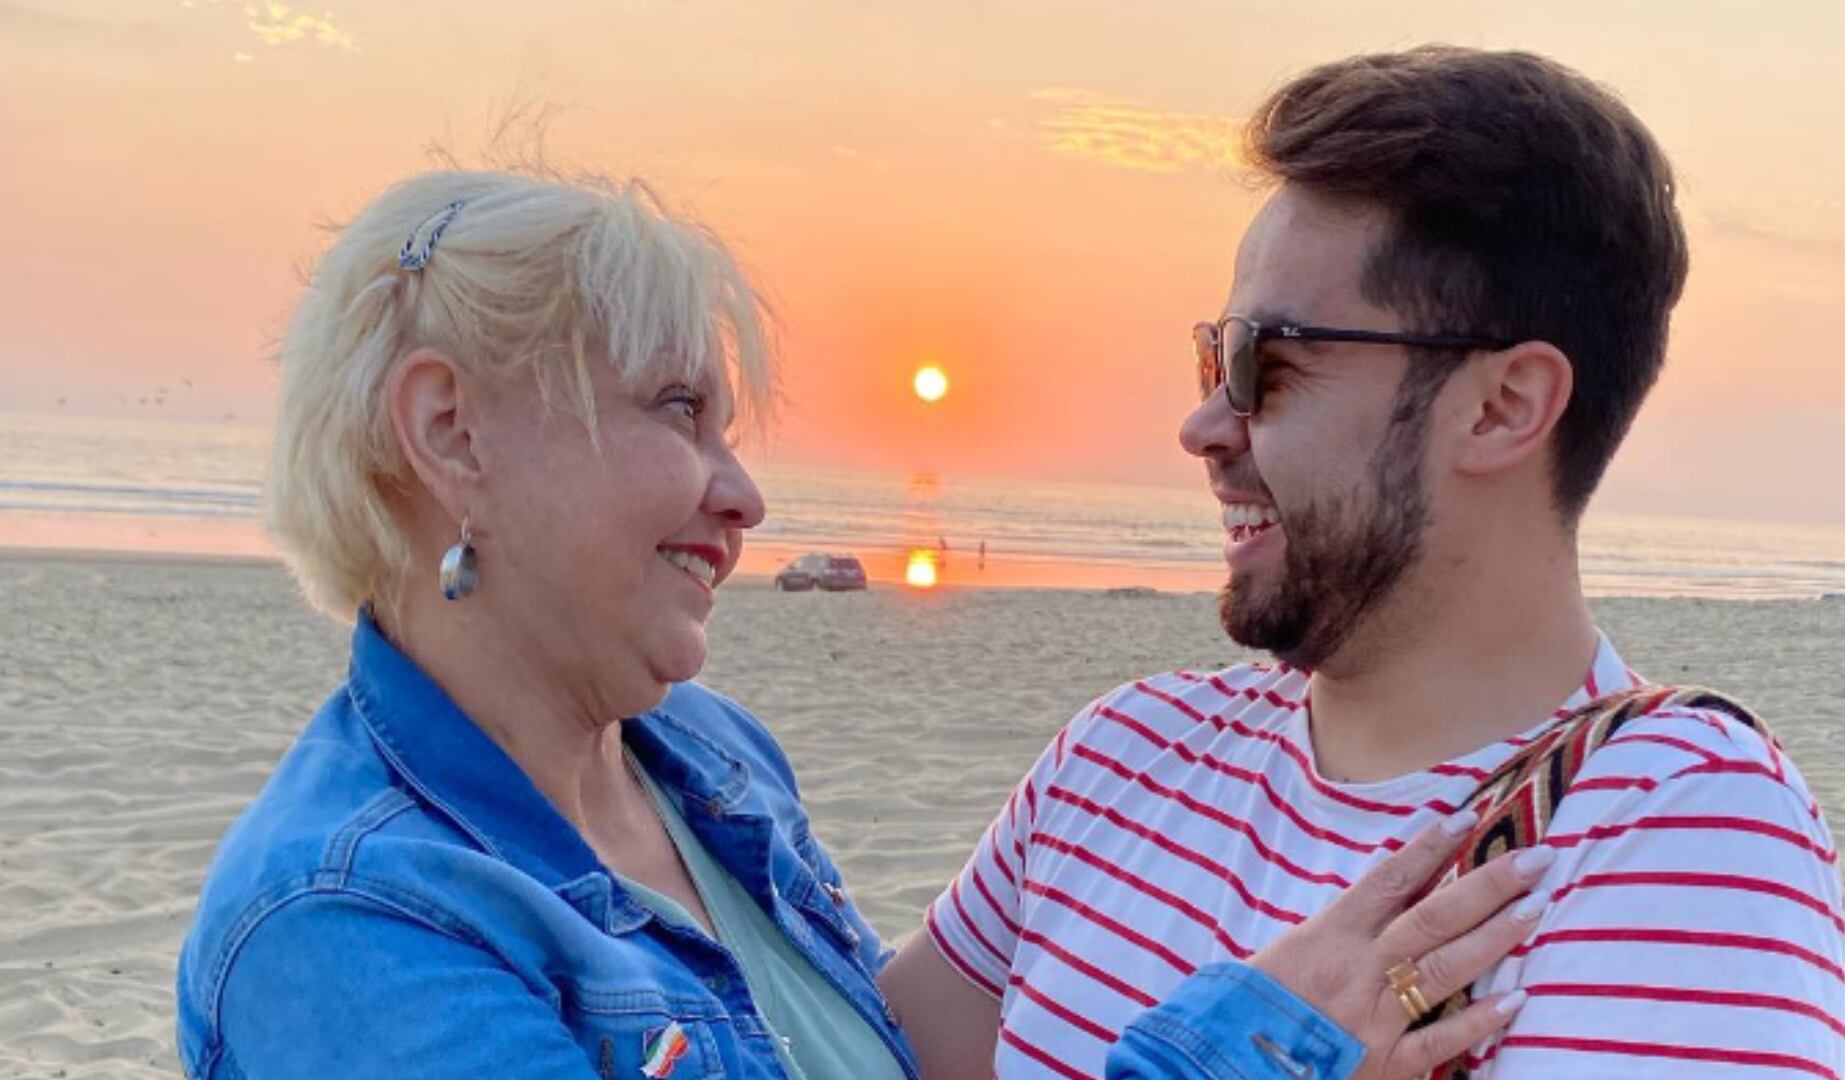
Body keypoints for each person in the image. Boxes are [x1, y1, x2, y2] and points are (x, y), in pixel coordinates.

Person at [175, 165, 1540, 1080]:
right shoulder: (342, 927)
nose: (742, 494)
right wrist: (1253, 1046)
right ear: (451, 431)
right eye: (678, 410)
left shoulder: (704, 761)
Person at [883, 47, 1845, 1079]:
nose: (1204, 425)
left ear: (1501, 407)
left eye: (1267, 363)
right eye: (1215, 357)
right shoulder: (1119, 759)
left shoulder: (1671, 825)